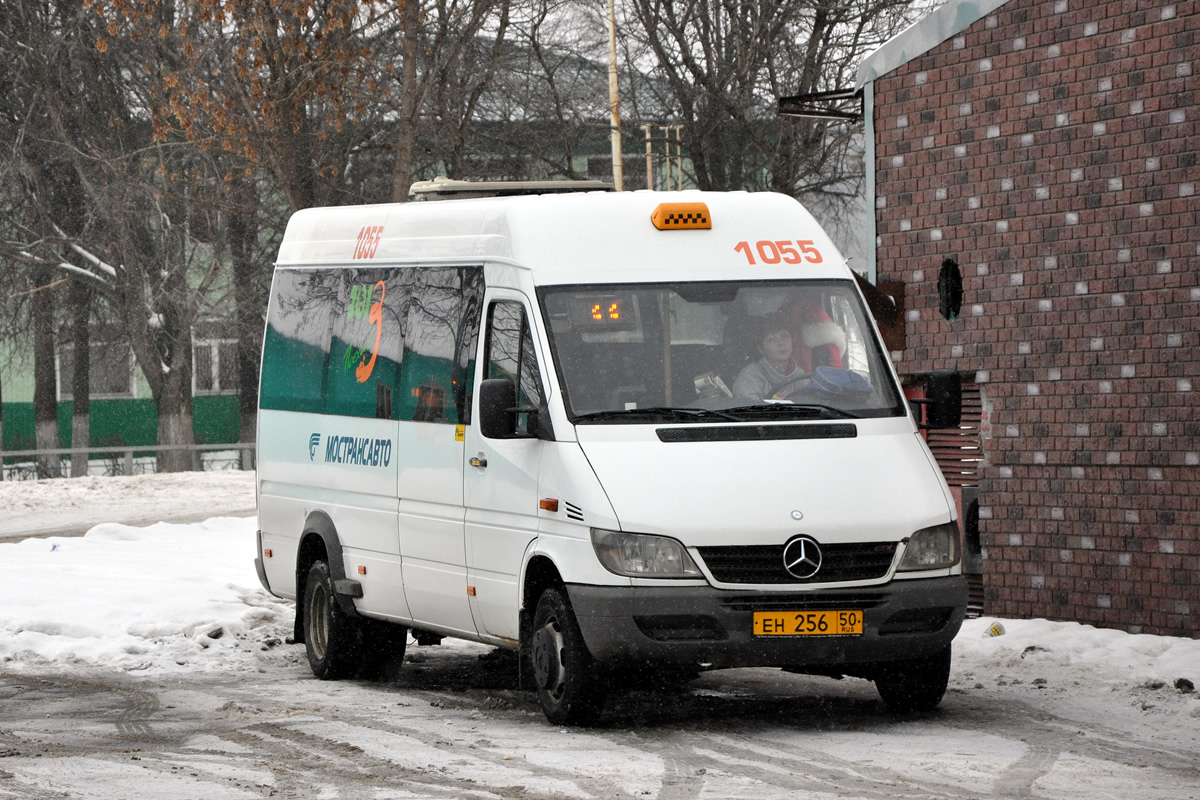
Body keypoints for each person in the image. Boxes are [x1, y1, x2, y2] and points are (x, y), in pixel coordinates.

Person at [732, 313, 808, 400]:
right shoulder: (749, 378)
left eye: (785, 336)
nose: (781, 343)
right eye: (771, 339)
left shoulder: (800, 376)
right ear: (761, 349)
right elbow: (749, 412)